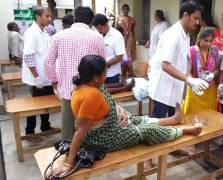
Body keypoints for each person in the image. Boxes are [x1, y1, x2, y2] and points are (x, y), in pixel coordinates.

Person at [44, 55, 202, 178]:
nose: (107, 75)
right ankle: (184, 131)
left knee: (136, 119)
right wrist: (69, 163)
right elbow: (80, 131)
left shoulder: (86, 85)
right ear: (95, 77)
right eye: (105, 72)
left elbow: (105, 105)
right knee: (144, 131)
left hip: (108, 126)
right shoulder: (90, 95)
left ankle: (174, 120)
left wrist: (119, 111)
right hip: (104, 139)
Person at [148, 0, 207, 169]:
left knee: (173, 120)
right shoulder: (172, 34)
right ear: (185, 15)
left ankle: (171, 149)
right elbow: (165, 65)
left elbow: (181, 62)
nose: (198, 23)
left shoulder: (186, 34)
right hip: (162, 88)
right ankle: (147, 159)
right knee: (157, 123)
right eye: (195, 18)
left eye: (199, 19)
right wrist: (188, 79)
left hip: (175, 86)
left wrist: (189, 80)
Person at [45, 6, 106, 140]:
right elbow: (102, 64)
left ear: (74, 19)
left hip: (68, 90)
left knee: (68, 129)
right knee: (90, 127)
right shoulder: (97, 37)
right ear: (90, 21)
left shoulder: (58, 36)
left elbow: (48, 62)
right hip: (90, 91)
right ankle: (87, 154)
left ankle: (67, 154)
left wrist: (55, 82)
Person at [22, 7, 54, 135]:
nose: (50, 19)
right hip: (37, 78)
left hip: (45, 77)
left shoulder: (44, 32)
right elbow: (28, 56)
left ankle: (45, 127)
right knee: (34, 107)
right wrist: (36, 77)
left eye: (50, 16)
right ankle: (30, 132)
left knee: (46, 104)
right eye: (47, 16)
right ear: (38, 17)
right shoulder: (32, 32)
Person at [182, 27, 221, 116]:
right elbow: (188, 72)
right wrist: (193, 84)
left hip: (210, 89)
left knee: (210, 116)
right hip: (195, 89)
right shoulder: (191, 51)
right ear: (199, 39)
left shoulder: (215, 50)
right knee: (192, 116)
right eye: (206, 40)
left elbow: (217, 68)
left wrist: (212, 74)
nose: (209, 43)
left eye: (211, 41)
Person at [93, 14, 126, 84]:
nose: (99, 31)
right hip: (99, 74)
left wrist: (104, 64)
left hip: (112, 74)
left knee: (111, 94)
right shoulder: (97, 35)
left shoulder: (117, 36)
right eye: (97, 29)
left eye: (100, 28)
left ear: (106, 24)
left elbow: (119, 57)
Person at [114, 4, 136, 78]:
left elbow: (131, 31)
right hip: (120, 38)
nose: (125, 10)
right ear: (122, 10)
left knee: (127, 56)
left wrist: (131, 39)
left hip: (128, 39)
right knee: (122, 56)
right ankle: (126, 72)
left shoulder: (131, 19)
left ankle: (129, 72)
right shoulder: (118, 18)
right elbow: (115, 28)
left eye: (126, 9)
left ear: (128, 10)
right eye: (124, 9)